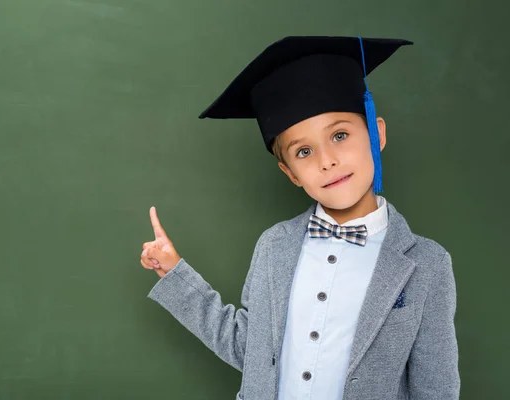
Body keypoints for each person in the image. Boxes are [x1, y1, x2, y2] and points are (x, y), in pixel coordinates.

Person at [139, 36, 459, 400]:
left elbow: (436, 389)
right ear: (290, 173)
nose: (326, 161)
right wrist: (175, 273)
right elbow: (253, 351)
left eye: (339, 135)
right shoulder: (274, 246)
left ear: (376, 133)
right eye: (304, 151)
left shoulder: (428, 265)